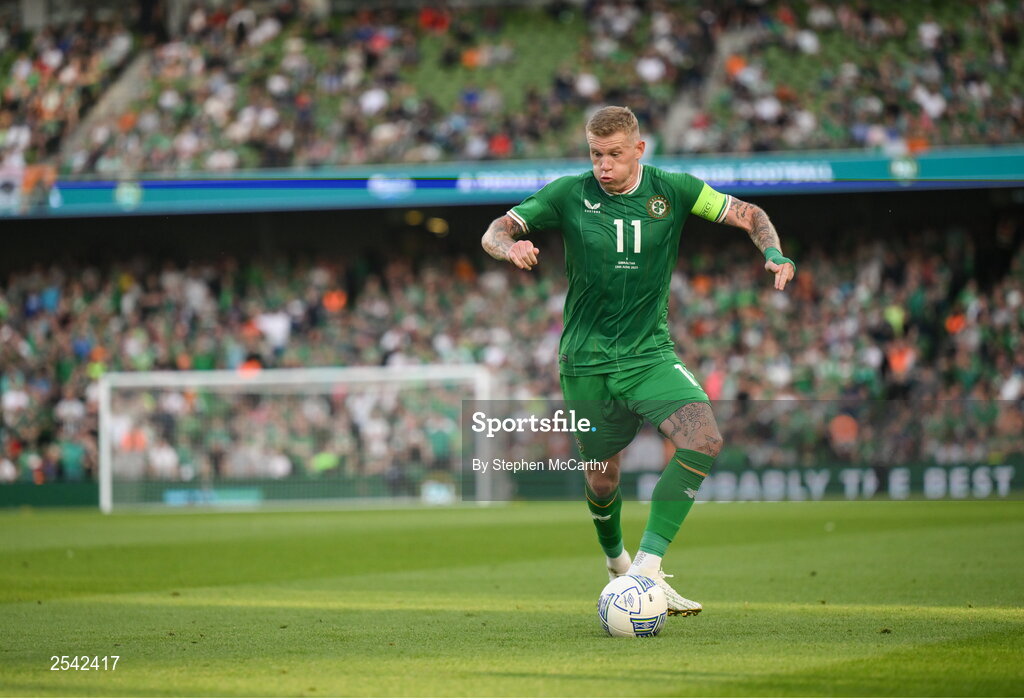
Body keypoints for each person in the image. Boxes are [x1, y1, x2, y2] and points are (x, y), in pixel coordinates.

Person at [481, 106, 795, 616]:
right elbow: (495, 230)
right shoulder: (568, 193)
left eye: (615, 155)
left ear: (639, 150)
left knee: (703, 437)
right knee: (602, 478)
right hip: (585, 362)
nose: (604, 166)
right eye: (596, 155)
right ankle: (617, 566)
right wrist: (508, 248)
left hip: (649, 353)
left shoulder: (674, 189)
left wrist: (774, 253)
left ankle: (646, 572)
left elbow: (750, 214)